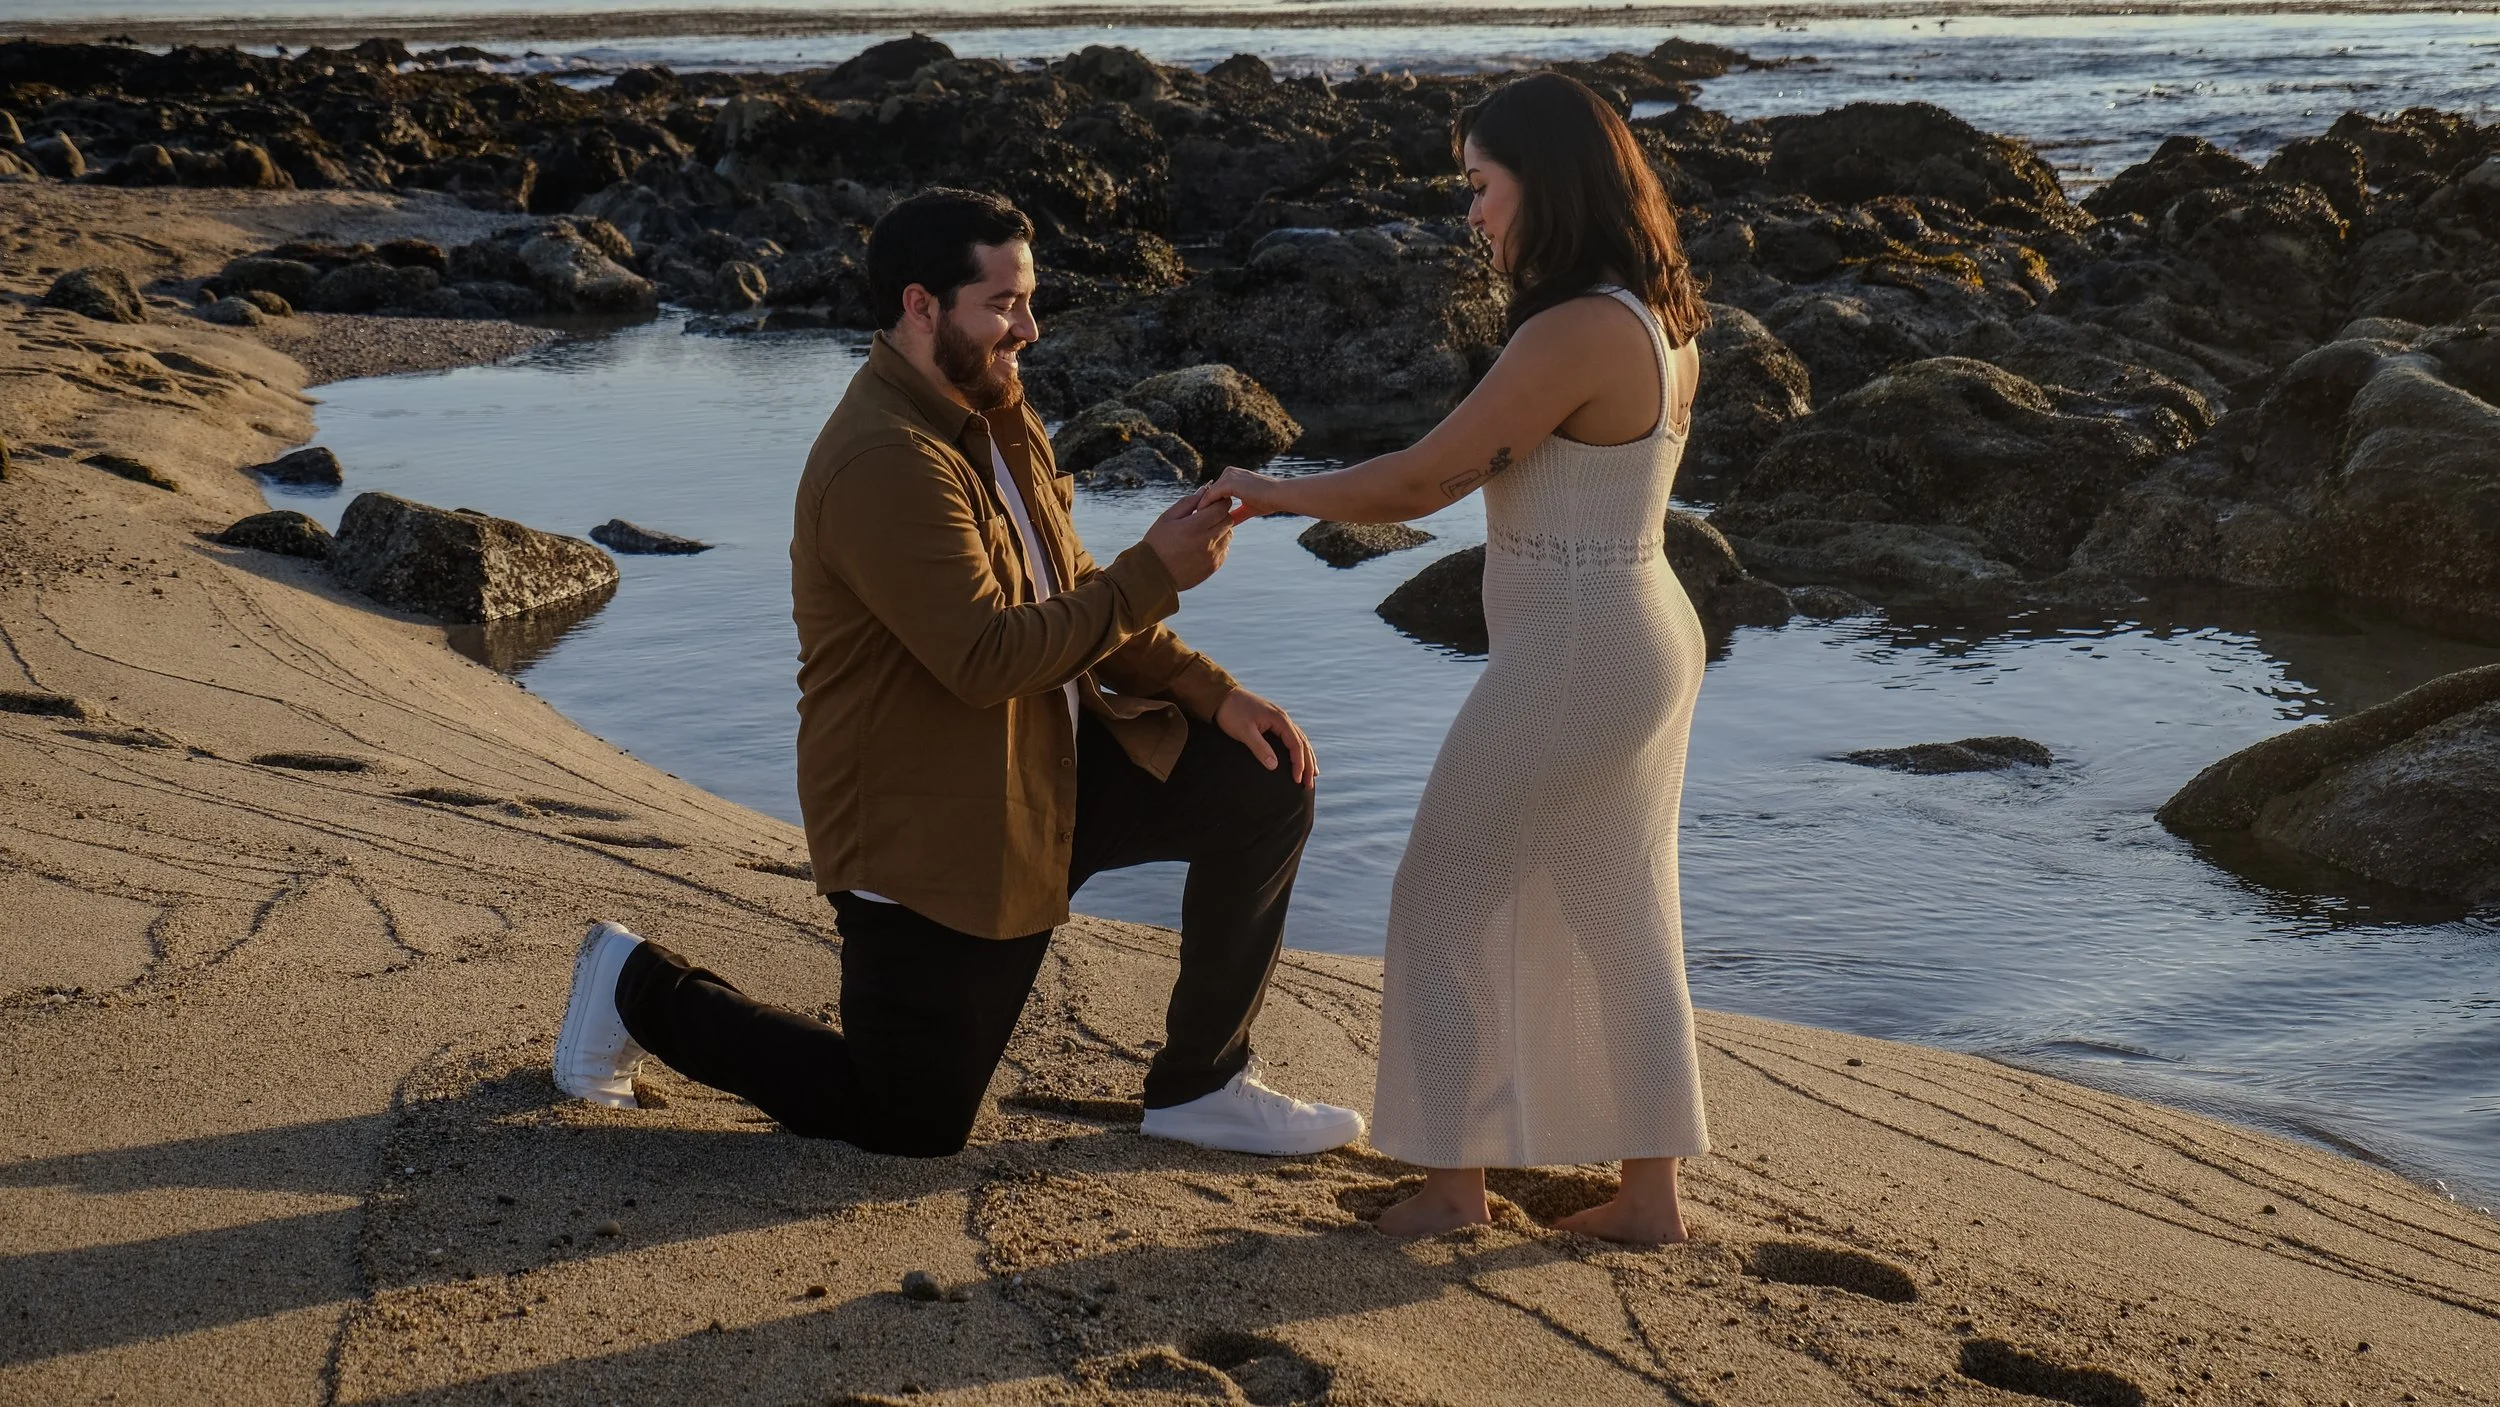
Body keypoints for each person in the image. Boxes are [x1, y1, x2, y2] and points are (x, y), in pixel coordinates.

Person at [552, 187, 1365, 1159]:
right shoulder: (883, 462)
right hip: (931, 821)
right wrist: (1156, 573)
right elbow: (984, 659)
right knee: (907, 1118)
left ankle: (1204, 1086)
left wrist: (1212, 691)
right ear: (919, 307)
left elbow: (1066, 593)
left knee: (1263, 776)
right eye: (1003, 303)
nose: (1028, 325)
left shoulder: (994, 413)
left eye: (1027, 298)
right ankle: (635, 987)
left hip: (1047, 769)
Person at [1194, 73, 1712, 1242]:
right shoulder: (1657, 313)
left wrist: (1267, 490)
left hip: (1580, 647)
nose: (1471, 214)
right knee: (1617, 908)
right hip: (1636, 626)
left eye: (1481, 186)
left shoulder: (1578, 324)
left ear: (1549, 180)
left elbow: (1429, 478)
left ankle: (1449, 1186)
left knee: (1442, 896)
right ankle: (1647, 1197)